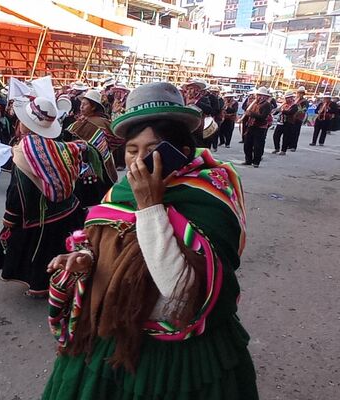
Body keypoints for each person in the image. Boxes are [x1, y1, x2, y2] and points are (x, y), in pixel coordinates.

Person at [42, 82, 257, 400]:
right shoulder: (121, 190)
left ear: (180, 153)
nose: (138, 161)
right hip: (112, 332)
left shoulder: (209, 195)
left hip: (177, 354)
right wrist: (86, 257)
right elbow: (99, 238)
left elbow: (182, 293)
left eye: (152, 149)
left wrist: (151, 207)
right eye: (132, 150)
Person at [0, 97, 87, 298]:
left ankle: (39, 285)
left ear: (26, 125)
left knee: (38, 252)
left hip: (40, 213)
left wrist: (11, 217)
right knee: (58, 247)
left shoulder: (24, 152)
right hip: (67, 207)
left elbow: (18, 190)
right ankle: (63, 279)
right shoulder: (58, 146)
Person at [65, 89, 120, 208]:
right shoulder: (104, 121)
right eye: (81, 104)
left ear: (93, 107)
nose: (81, 107)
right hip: (103, 165)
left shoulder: (90, 122)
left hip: (89, 166)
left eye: (85, 104)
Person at [243, 87, 272, 168]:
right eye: (258, 95)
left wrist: (251, 114)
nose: (259, 97)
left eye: (261, 95)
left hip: (260, 127)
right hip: (251, 126)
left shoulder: (267, 105)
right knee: (247, 144)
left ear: (265, 96)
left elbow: (263, 116)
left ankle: (256, 162)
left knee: (257, 146)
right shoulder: (255, 103)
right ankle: (248, 160)